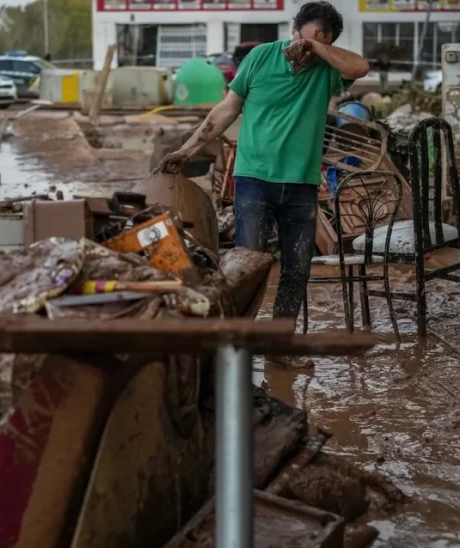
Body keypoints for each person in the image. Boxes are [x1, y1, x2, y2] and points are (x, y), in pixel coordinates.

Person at [156, 1, 369, 369]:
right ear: (293, 28)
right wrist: (187, 150)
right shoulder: (259, 58)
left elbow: (360, 67)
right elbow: (225, 110)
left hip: (300, 184)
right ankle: (236, 347)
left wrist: (317, 47)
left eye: (325, 39)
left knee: (297, 269)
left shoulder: (328, 70)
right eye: (310, 34)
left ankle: (279, 347)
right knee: (246, 265)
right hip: (253, 179)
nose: (314, 45)